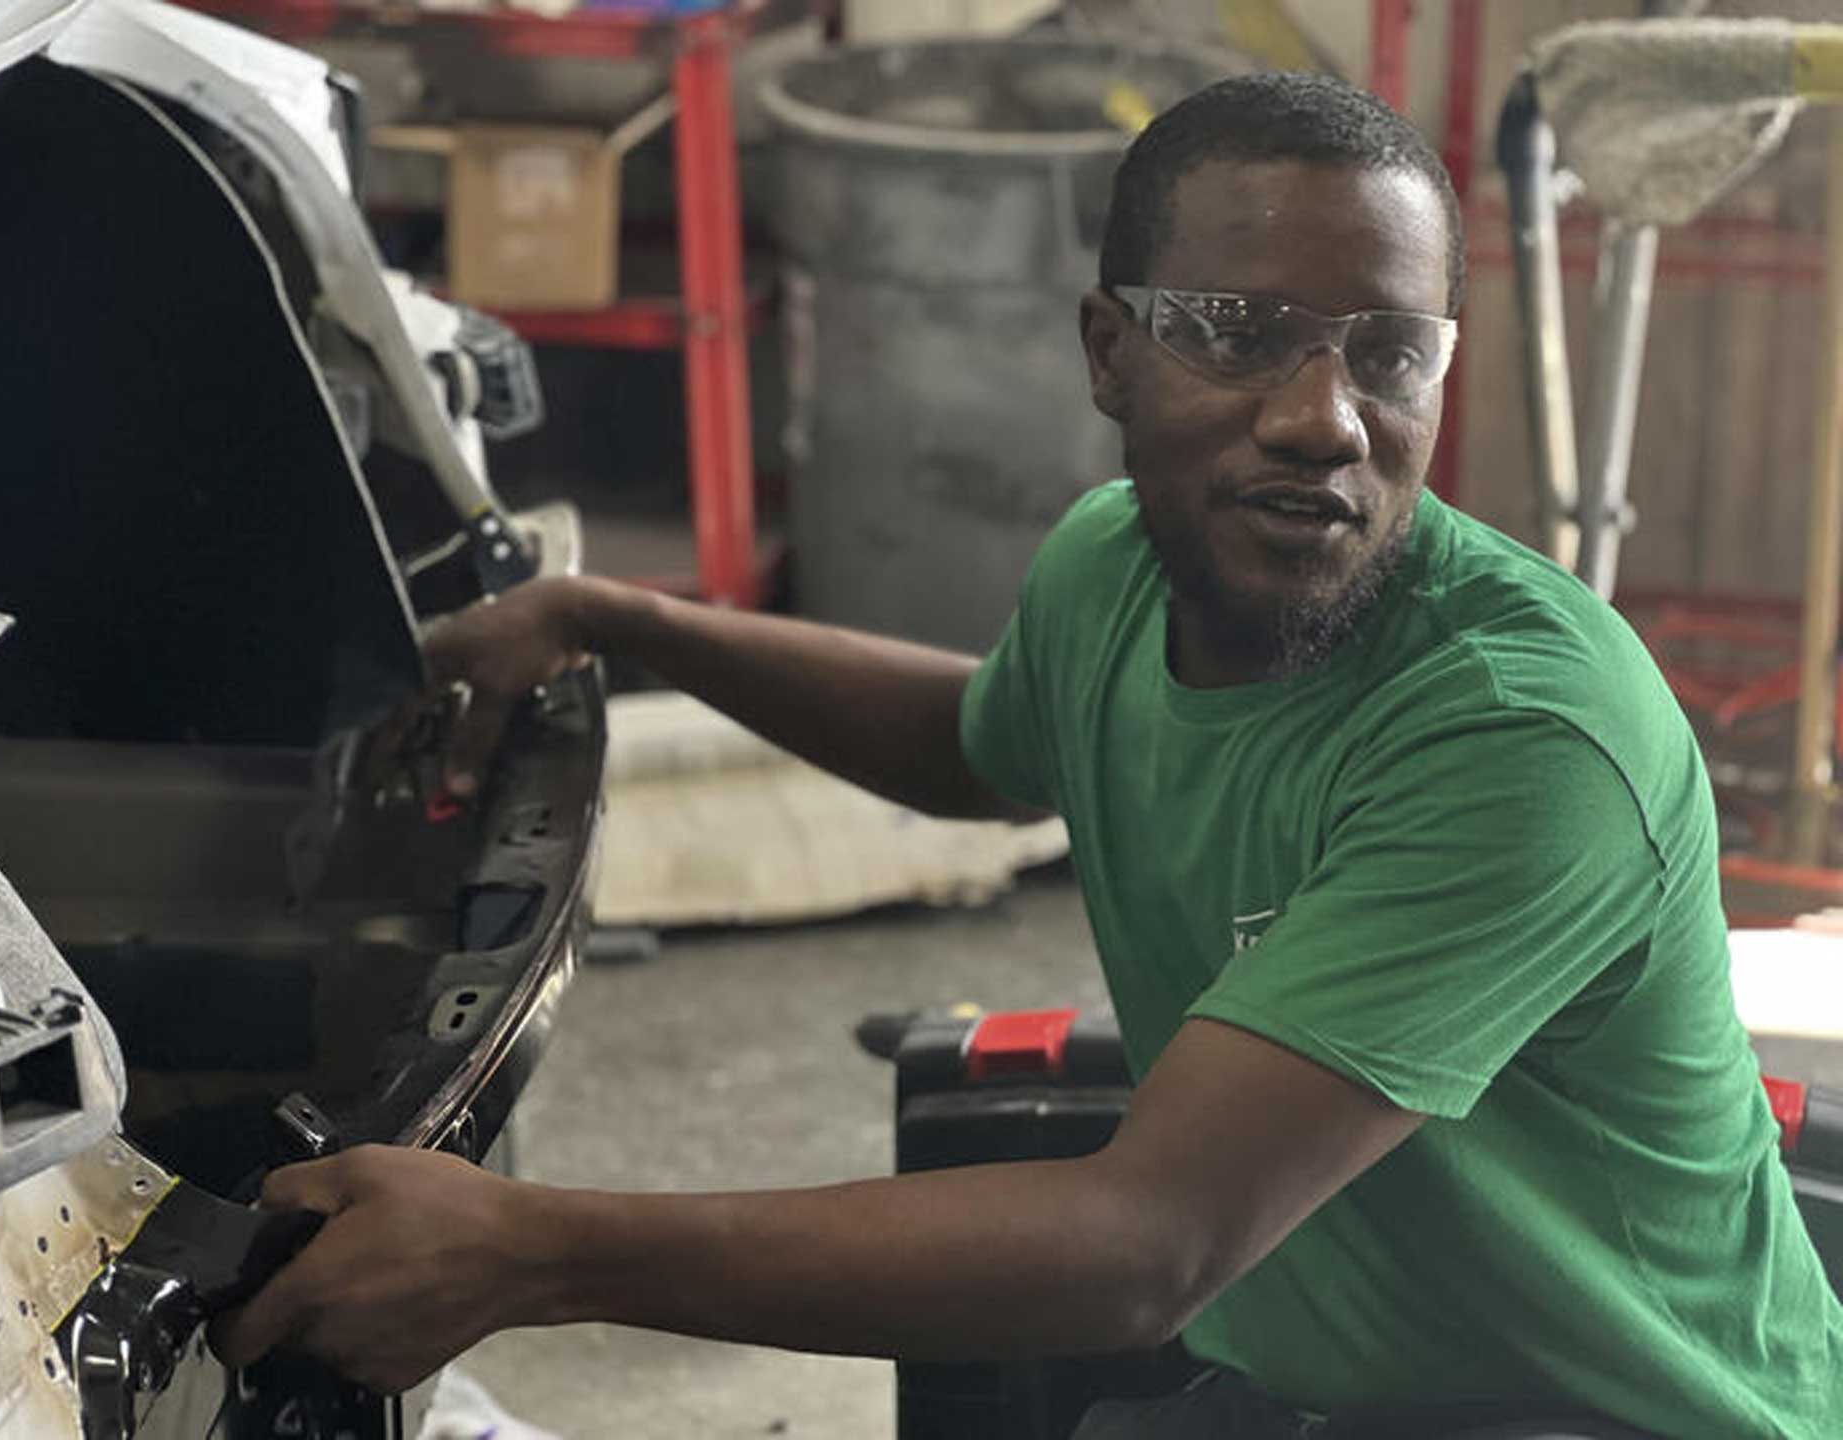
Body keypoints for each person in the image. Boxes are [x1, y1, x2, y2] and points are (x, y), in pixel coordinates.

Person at [212, 73, 1843, 1438]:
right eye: (1239, 329)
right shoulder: (1113, 569)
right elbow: (977, 744)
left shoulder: (1519, 732)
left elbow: (1145, 1243)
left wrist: (527, 1251)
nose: (1324, 416)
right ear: (1108, 350)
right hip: (1337, 1391)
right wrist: (618, 620)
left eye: (1390, 351)